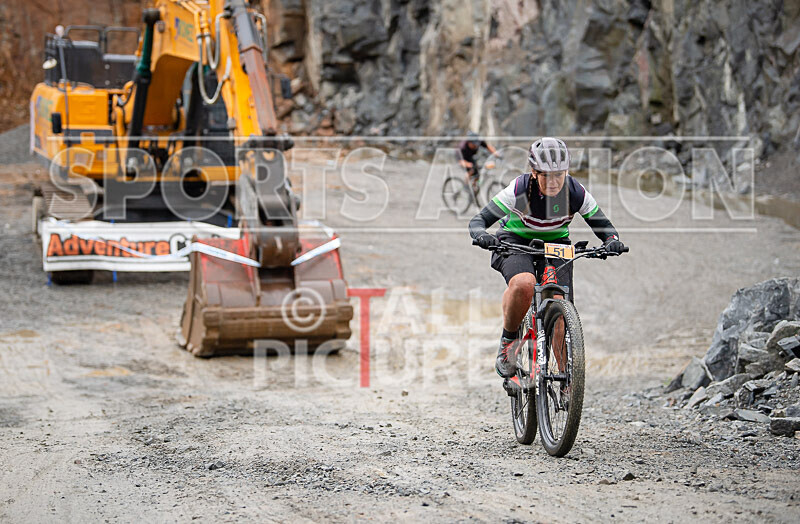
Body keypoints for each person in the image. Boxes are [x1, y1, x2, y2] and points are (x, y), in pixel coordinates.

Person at [468, 137, 625, 378]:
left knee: (559, 305)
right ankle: (507, 344)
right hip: (516, 241)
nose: (552, 182)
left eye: (558, 175)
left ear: (566, 172)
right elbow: (479, 221)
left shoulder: (575, 192)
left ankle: (567, 382)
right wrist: (482, 235)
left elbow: (603, 225)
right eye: (545, 175)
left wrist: (611, 241)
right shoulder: (519, 190)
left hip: (556, 245)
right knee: (524, 284)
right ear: (533, 172)